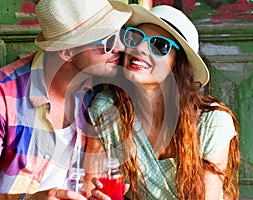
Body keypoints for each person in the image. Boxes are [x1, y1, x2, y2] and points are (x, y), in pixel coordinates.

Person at [0, 0, 132, 199]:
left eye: (119, 34)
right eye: (107, 42)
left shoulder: (99, 93)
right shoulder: (0, 99)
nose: (120, 46)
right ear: (68, 52)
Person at [84, 4, 240, 200]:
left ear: (178, 63)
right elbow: (89, 190)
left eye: (159, 45)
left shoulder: (212, 122)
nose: (139, 48)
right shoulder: (107, 109)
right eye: (135, 37)